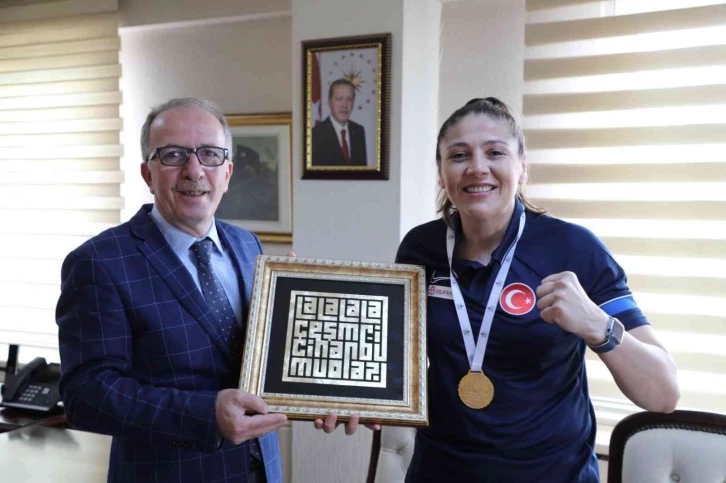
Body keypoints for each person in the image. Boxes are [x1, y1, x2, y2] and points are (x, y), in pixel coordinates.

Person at [319, 97, 680, 482]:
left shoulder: (575, 248)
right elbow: (394, 362)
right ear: (441, 173)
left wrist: (598, 325)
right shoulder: (419, 247)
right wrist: (350, 394)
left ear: (522, 167)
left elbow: (663, 394)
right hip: (440, 472)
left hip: (552, 475)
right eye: (459, 155)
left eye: (495, 152)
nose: (477, 167)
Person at [56, 97, 288, 483]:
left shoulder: (248, 245)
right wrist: (205, 415)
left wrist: (329, 391)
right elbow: (86, 395)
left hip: (263, 471)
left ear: (228, 172)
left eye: (210, 154)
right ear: (148, 174)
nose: (194, 170)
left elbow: (264, 359)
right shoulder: (99, 262)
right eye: (173, 155)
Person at [312, 78, 368, 166]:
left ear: (353, 102)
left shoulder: (359, 131)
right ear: (329, 102)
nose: (344, 105)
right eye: (339, 99)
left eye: (349, 99)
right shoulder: (315, 134)